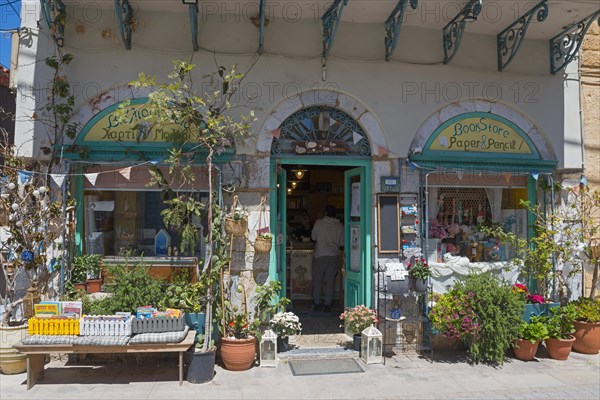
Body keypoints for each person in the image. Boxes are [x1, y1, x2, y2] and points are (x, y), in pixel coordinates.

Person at [311, 205, 343, 313]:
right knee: (330, 282)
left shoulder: (318, 223)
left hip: (319, 255)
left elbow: (313, 237)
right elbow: (342, 242)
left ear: (325, 213)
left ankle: (317, 303)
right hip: (333, 256)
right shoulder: (339, 225)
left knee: (318, 281)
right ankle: (328, 304)